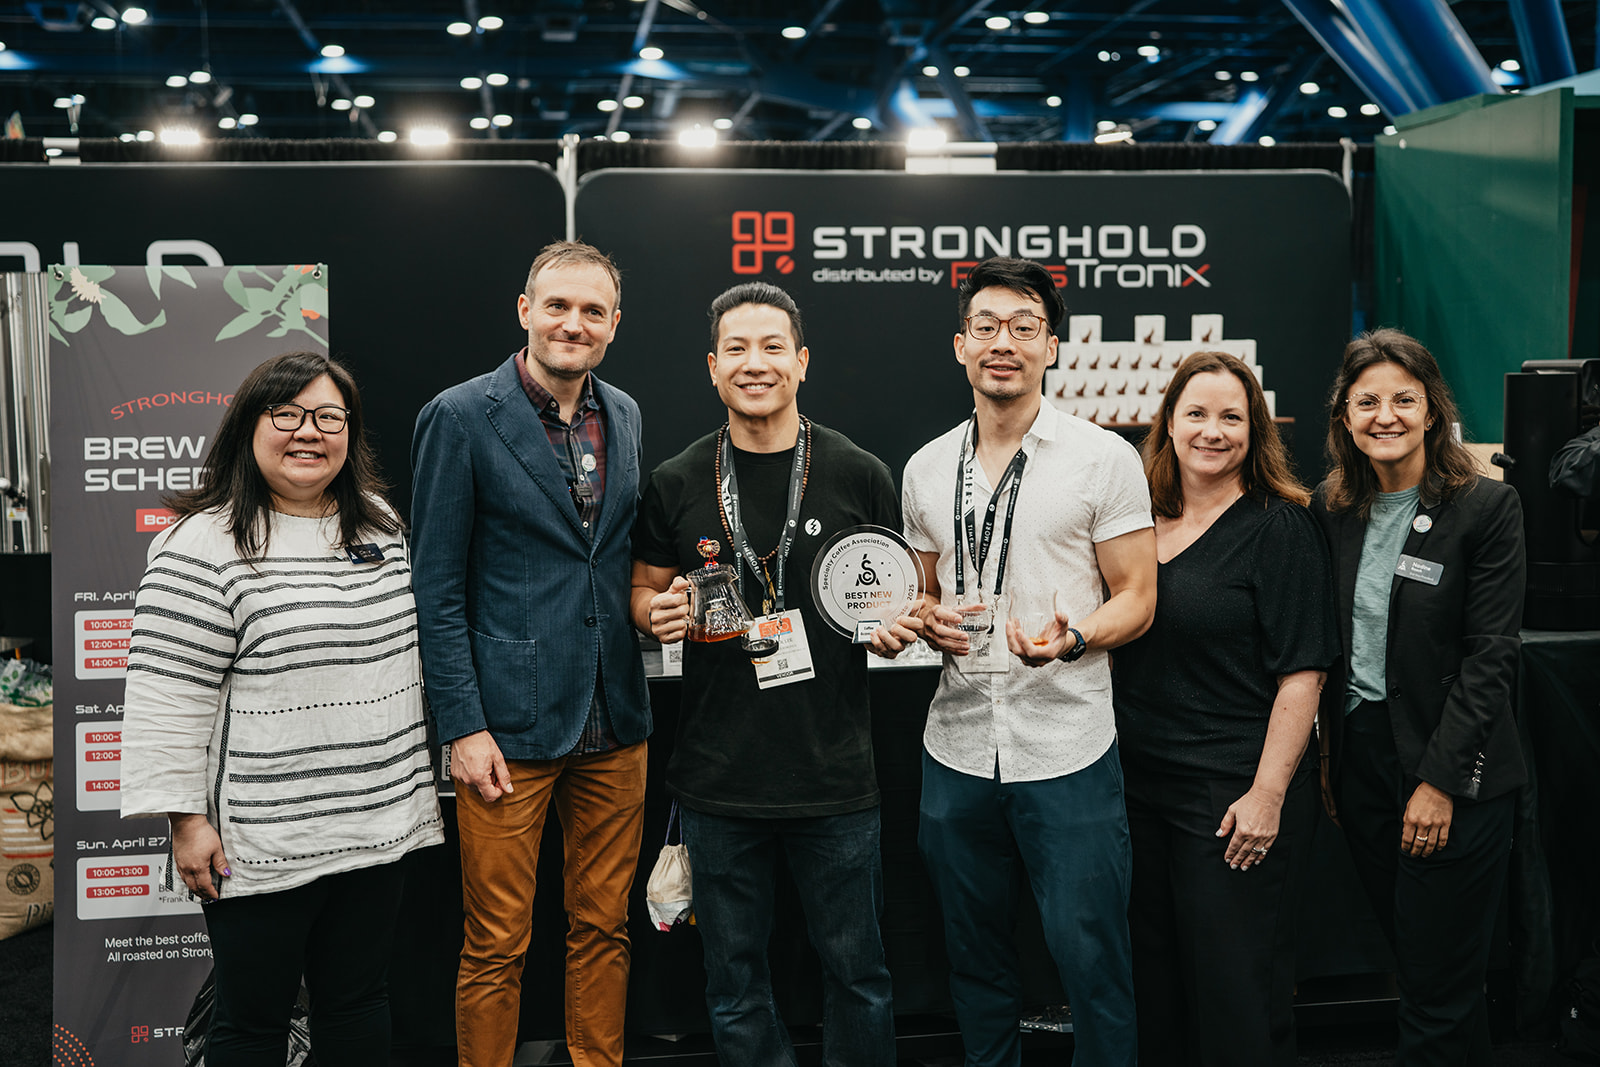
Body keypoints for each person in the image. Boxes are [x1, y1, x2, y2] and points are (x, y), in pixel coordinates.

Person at [120, 351, 445, 1066]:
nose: (310, 431)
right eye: (288, 414)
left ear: (350, 434)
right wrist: (187, 819)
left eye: (330, 417)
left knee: (358, 1002)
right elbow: (166, 692)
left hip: (376, 821)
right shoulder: (201, 542)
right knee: (253, 1019)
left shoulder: (381, 527)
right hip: (260, 839)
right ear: (249, 426)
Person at [631, 281, 918, 1067]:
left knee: (859, 977)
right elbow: (642, 591)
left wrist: (894, 630)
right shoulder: (677, 480)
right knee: (733, 983)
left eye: (771, 347)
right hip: (720, 782)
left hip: (836, 778)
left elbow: (890, 597)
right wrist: (654, 613)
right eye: (736, 349)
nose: (754, 364)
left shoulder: (860, 473)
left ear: (801, 360)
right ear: (712, 367)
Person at [900, 256, 1156, 1067]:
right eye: (985, 327)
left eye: (1022, 327)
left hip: (1067, 745)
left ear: (1052, 344)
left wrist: (1073, 637)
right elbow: (924, 592)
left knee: (1092, 960)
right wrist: (922, 620)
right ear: (959, 345)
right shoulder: (926, 466)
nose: (1001, 342)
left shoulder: (1101, 458)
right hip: (959, 744)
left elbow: (1139, 596)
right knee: (973, 960)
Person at [410, 241, 651, 1067]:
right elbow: (435, 588)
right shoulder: (459, 415)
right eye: (557, 305)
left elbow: (608, 562)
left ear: (614, 325)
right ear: (525, 310)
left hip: (616, 719)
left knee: (604, 928)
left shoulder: (624, 413)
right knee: (496, 942)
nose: (572, 323)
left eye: (592, 311)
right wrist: (462, 725)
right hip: (505, 731)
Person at [1110, 351, 1338, 1066]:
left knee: (1237, 988)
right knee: (1158, 981)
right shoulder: (1137, 520)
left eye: (1232, 417)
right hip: (1139, 787)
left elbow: (1304, 674)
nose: (1214, 430)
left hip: (1232, 791)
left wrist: (1267, 794)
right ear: (1169, 423)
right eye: (1198, 414)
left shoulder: (1281, 526)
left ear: (1255, 430)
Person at [1310, 328, 1526, 1067]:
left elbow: (1490, 657)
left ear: (1432, 409)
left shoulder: (1487, 508)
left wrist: (1437, 781)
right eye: (1366, 401)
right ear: (1344, 417)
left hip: (1450, 769)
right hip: (1364, 761)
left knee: (1437, 984)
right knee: (1426, 968)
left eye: (1404, 398)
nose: (1386, 415)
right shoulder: (1331, 510)